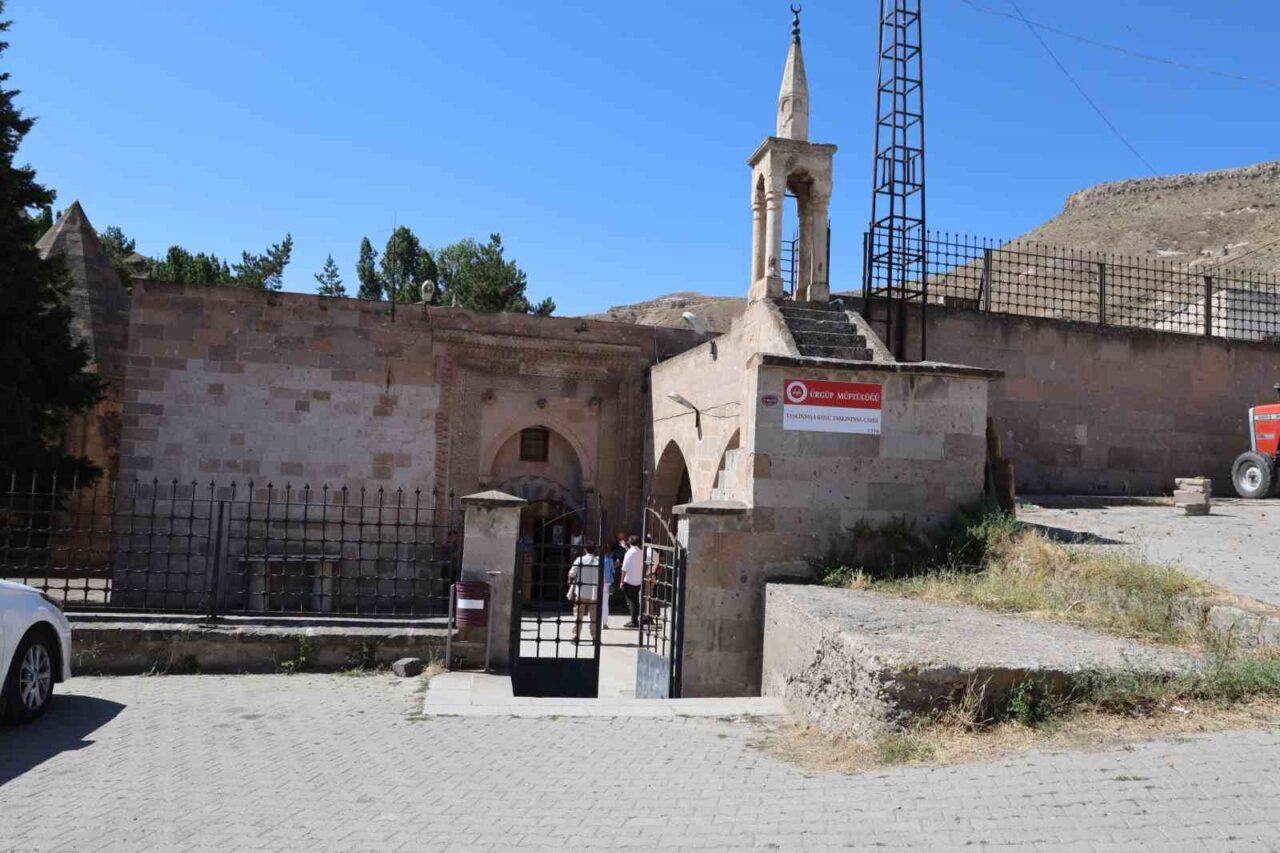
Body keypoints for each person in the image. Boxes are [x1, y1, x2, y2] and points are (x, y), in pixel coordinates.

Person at [567, 544, 602, 643]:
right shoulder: (598, 561)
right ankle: (595, 638)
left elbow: (572, 573)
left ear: (585, 550)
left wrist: (570, 579)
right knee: (594, 617)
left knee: (578, 616)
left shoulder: (580, 560)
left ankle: (576, 636)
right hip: (593, 592)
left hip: (581, 591)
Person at [620, 534, 643, 628]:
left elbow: (624, 568)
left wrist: (621, 581)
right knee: (636, 601)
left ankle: (634, 621)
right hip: (638, 580)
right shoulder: (641, 552)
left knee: (631, 602)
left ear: (630, 542)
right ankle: (635, 619)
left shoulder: (628, 553)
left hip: (629, 581)